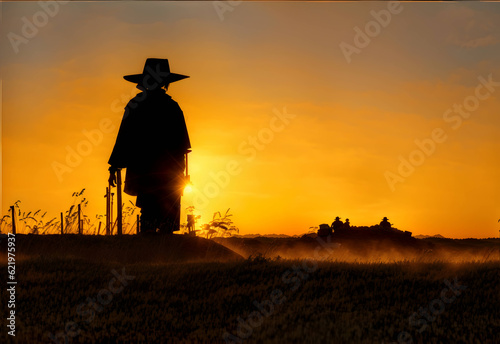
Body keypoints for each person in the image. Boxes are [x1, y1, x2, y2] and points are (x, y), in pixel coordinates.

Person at [108, 58, 191, 234]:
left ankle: (148, 251)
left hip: (144, 172)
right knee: (167, 220)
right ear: (166, 83)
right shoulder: (172, 107)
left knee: (148, 216)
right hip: (169, 174)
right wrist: (182, 174)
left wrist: (114, 166)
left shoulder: (136, 106)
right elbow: (183, 148)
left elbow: (124, 138)